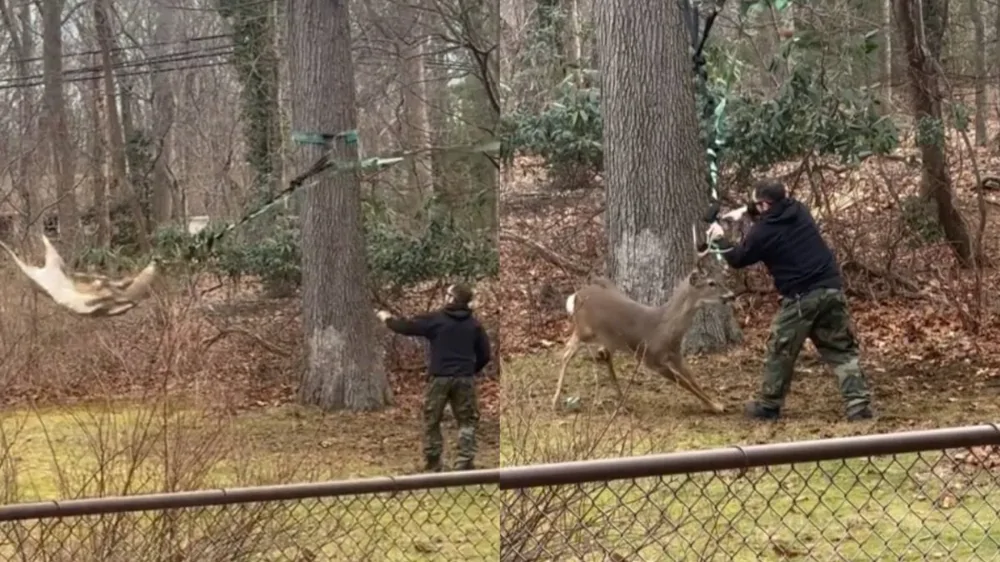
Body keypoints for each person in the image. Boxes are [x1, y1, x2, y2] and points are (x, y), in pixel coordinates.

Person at [704, 179, 875, 422]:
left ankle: (769, 406)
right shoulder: (799, 211)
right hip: (831, 290)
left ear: (764, 204)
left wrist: (719, 238)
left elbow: (738, 258)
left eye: (756, 203)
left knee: (780, 350)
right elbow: (769, 214)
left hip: (800, 299)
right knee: (841, 350)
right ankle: (859, 405)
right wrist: (743, 212)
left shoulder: (764, 233)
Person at [376, 283, 492, 471]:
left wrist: (387, 319)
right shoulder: (474, 325)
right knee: (466, 421)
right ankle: (465, 461)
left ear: (452, 298)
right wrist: (470, 370)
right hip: (464, 378)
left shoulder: (436, 320)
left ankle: (433, 461)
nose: (444, 297)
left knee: (432, 420)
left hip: (439, 378)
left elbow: (407, 327)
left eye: (447, 294)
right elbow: (485, 355)